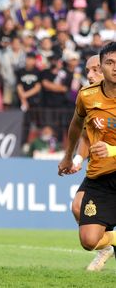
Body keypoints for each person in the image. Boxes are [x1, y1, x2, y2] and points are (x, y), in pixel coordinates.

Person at [58, 42, 116, 265]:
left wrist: (111, 149)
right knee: (88, 240)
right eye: (109, 63)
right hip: (100, 175)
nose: (114, 68)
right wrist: (70, 157)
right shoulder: (88, 96)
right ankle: (107, 243)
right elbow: (79, 128)